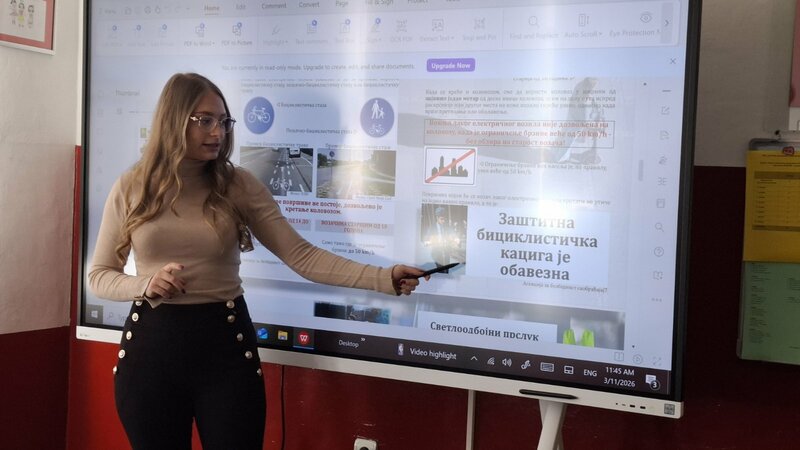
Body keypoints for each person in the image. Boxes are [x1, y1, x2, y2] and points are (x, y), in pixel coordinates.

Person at [87, 72, 426, 449]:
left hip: (225, 349)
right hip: (150, 356)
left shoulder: (238, 185)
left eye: (223, 121)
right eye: (205, 120)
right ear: (173, 119)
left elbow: (302, 255)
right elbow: (99, 276)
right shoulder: (132, 187)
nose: (218, 132)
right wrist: (144, 284)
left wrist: (384, 277)